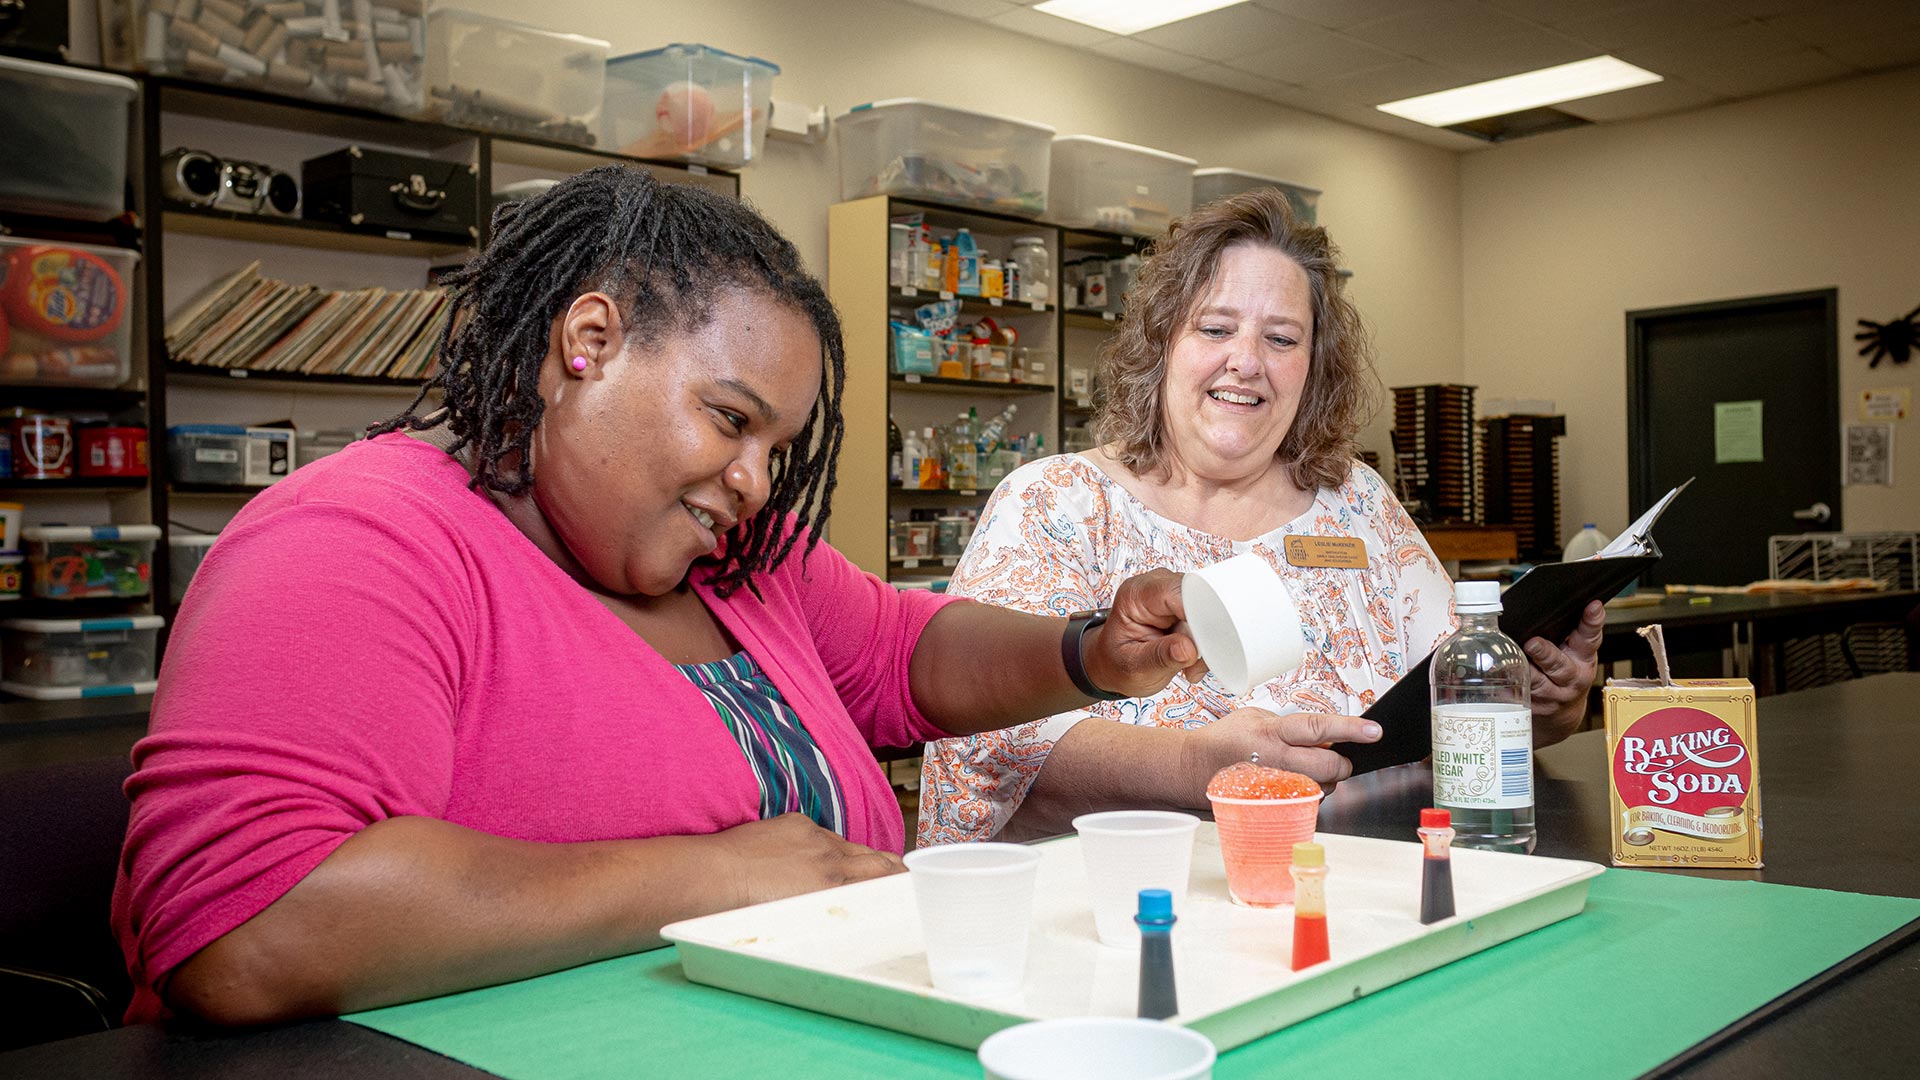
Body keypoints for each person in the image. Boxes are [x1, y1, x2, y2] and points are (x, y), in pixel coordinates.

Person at [113, 167, 1201, 1026]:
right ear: (587, 344)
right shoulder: (357, 539)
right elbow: (251, 932)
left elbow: (903, 657)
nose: (757, 480)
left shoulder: (741, 560)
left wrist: (1090, 652)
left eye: (777, 444)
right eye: (731, 420)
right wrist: (716, 877)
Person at [919, 189, 1604, 845]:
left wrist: (1550, 704)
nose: (1245, 362)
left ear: (1314, 367)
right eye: (1215, 328)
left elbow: (1456, 707)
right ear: (1161, 345)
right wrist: (1194, 767)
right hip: (1138, 906)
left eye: (1281, 339)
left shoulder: (1358, 503)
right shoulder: (1057, 503)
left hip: (1366, 888)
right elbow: (991, 746)